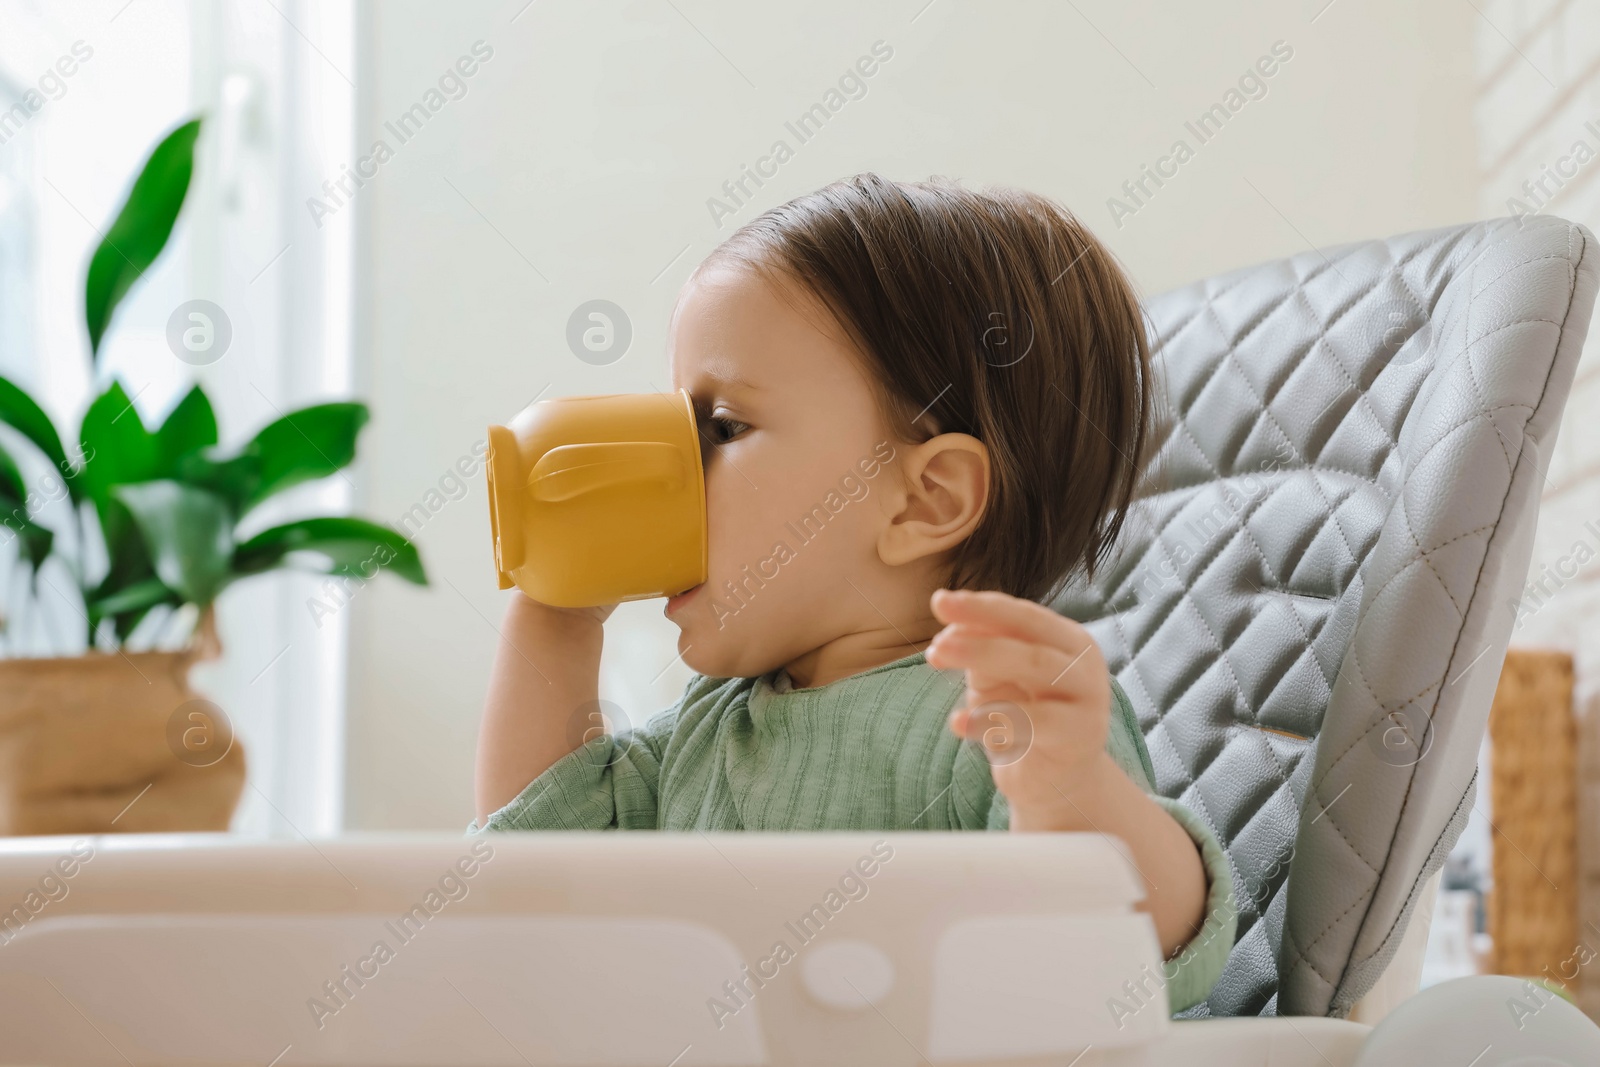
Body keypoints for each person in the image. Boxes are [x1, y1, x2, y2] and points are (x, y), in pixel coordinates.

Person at [471, 173, 1236, 1013]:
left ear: (924, 500)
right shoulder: (713, 722)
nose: (675, 470)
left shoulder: (999, 718)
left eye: (721, 429)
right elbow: (535, 881)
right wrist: (556, 601)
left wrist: (1072, 792)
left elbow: (1149, 952)